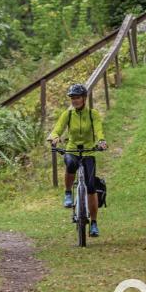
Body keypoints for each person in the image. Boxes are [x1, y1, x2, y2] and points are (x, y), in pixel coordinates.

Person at [48, 83, 108, 237]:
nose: (74, 100)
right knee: (70, 163)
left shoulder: (92, 114)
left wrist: (101, 141)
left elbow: (99, 129)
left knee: (91, 186)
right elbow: (57, 129)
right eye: (72, 98)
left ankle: (93, 223)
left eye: (77, 97)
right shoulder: (67, 114)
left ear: (84, 98)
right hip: (72, 148)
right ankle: (68, 193)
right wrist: (55, 137)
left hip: (88, 151)